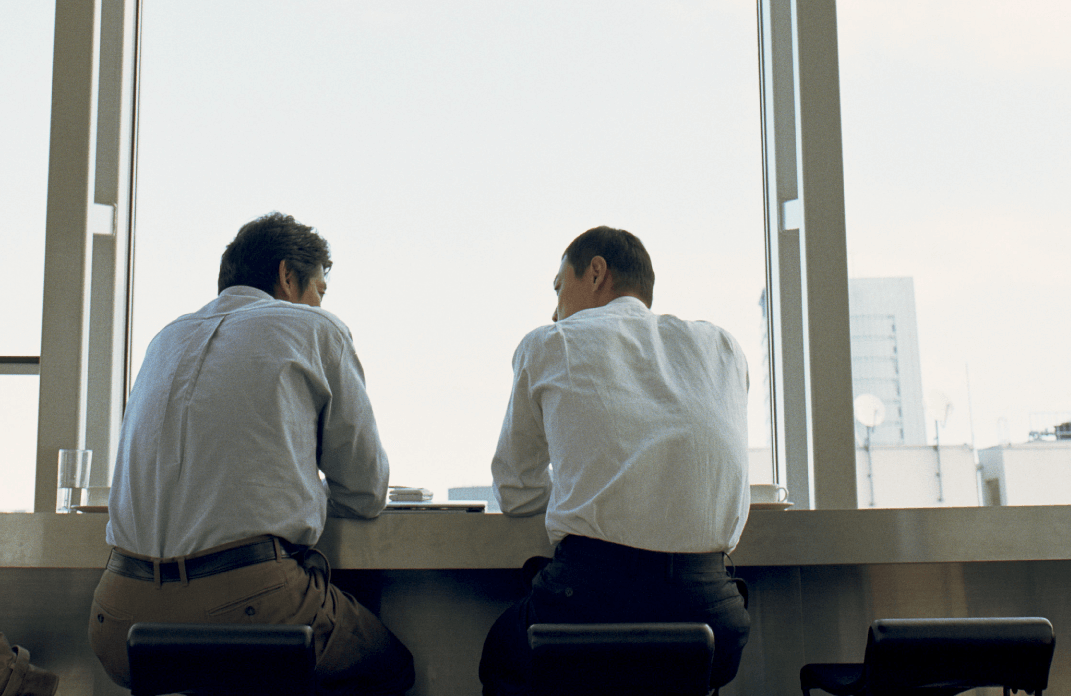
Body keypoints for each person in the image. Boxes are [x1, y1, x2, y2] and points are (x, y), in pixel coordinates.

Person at [88, 213, 414, 696]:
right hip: (250, 607)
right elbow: (366, 492)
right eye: (320, 288)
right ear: (287, 275)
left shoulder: (164, 339)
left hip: (117, 623)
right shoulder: (313, 327)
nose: (321, 301)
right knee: (392, 666)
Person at [479, 226, 751, 696]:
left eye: (559, 287)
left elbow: (515, 489)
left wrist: (583, 502)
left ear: (596, 272)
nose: (555, 308)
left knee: (504, 654)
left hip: (591, 603)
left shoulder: (550, 342)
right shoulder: (723, 348)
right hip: (713, 617)